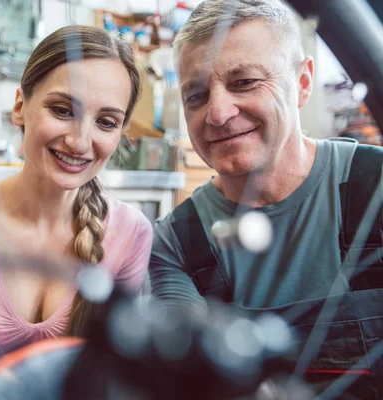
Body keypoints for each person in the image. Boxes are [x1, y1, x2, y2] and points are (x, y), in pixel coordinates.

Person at [150, 0, 383, 397]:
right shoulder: (176, 245)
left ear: (303, 82)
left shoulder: (375, 186)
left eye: (244, 82)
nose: (218, 113)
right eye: (197, 96)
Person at [0, 25, 153, 399]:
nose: (79, 141)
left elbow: (114, 377)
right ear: (20, 106)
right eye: (62, 110)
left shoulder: (131, 233)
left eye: (106, 122)